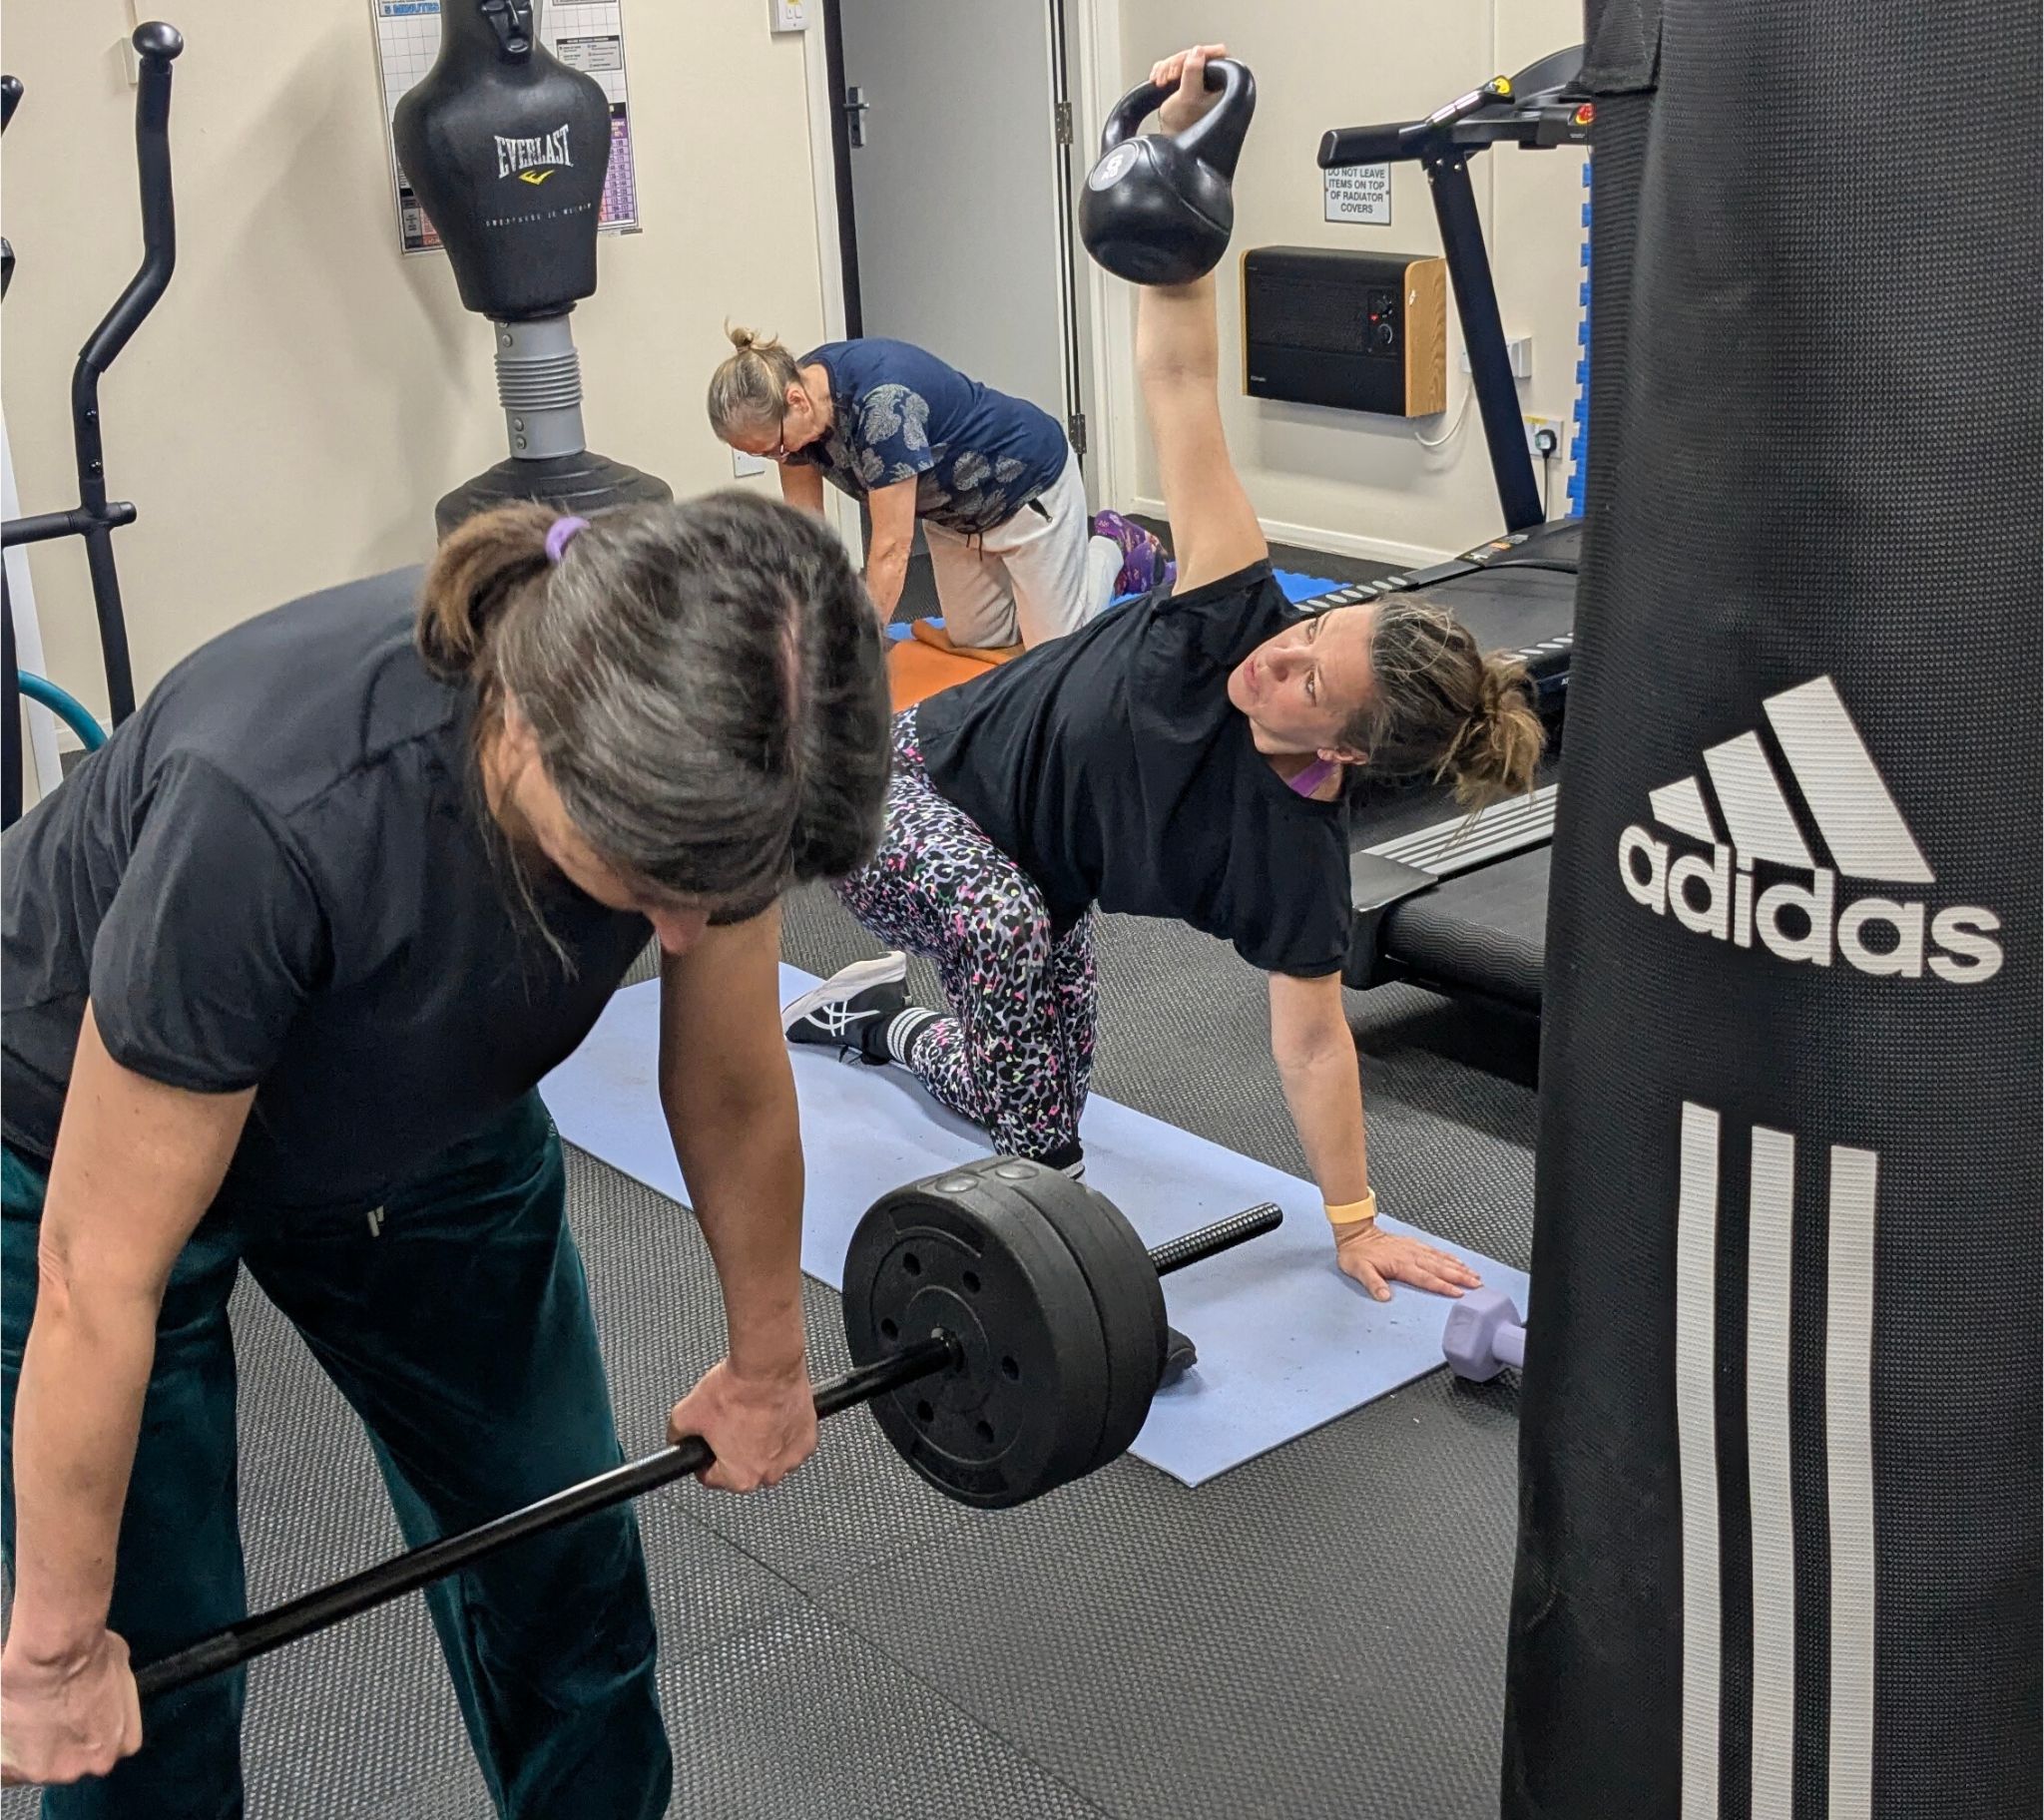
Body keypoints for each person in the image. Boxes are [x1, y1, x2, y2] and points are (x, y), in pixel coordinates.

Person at [0, 494, 891, 1816]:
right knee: (153, 1684)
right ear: (526, 728)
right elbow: (93, 1273)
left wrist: (767, 1362)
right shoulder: (274, 811)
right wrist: (57, 1647)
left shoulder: (720, 709)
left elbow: (730, 1082)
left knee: (566, 1566)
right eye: (648, 880)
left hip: (426, 1131)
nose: (684, 934)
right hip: (77, 1150)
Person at [780, 45, 1547, 1318]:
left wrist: (1354, 1225)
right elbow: (1180, 379)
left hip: (1031, 876)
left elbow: (1312, 1041)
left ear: (1341, 754)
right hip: (893, 787)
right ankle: (1053, 1258)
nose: (1282, 647)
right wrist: (1183, 164)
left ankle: (879, 1028)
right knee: (1008, 962)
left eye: (1310, 675)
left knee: (1016, 1078)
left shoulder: (1291, 854)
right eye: (1312, 629)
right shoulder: (1225, 607)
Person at [708, 328, 1110, 650]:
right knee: (980, 639)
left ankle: (1111, 548)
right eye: (762, 455)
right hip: (953, 518)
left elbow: (891, 550)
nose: (779, 457)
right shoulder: (793, 421)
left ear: (796, 400)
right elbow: (805, 539)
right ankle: (1040, 586)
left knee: (1057, 652)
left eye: (774, 447)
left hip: (1025, 489)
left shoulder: (884, 406)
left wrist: (853, 653)